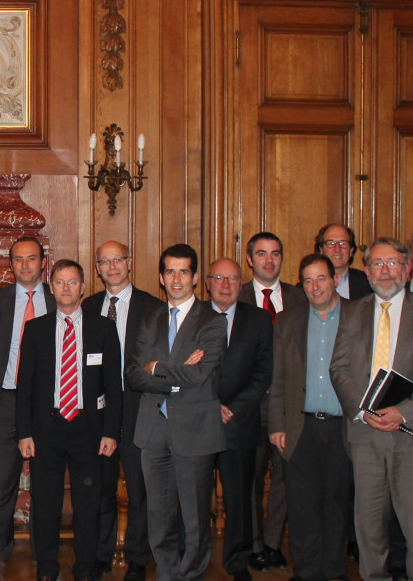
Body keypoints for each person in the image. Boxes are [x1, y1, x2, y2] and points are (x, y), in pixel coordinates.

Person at [329, 237, 413, 581]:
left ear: (407, 268)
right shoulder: (351, 311)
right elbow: (338, 368)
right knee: (368, 526)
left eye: (393, 263)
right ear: (366, 271)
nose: (386, 271)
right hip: (365, 435)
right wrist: (362, 410)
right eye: (378, 264)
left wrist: (405, 411)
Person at [125, 243, 227, 581]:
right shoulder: (148, 319)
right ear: (161, 277)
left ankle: (191, 575)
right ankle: (168, 573)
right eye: (170, 271)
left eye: (184, 271)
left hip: (194, 429)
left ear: (196, 277)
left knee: (196, 516)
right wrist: (172, 372)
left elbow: (200, 375)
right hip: (153, 429)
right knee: (159, 514)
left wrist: (157, 368)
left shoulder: (212, 321)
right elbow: (134, 374)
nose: (177, 278)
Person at [16, 259, 121, 581]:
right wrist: (25, 433)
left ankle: (85, 568)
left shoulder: (103, 328)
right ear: (51, 287)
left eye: (72, 282)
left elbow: (113, 385)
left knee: (88, 505)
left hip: (89, 430)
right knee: (45, 504)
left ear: (83, 287)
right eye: (59, 282)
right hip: (47, 429)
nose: (66, 288)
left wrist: (111, 431)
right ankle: (47, 567)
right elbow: (25, 387)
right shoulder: (36, 329)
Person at [269, 254, 352, 581]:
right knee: (301, 508)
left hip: (342, 428)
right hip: (299, 428)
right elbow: (277, 379)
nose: (315, 286)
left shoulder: (357, 316)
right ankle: (305, 572)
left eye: (321, 278)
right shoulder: (288, 321)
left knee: (336, 504)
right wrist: (276, 424)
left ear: (334, 279)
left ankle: (333, 571)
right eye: (307, 280)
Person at [83, 240, 162, 581]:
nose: (112, 267)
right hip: (97, 408)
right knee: (100, 486)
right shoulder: (87, 306)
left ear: (129, 263)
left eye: (118, 260)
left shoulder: (152, 307)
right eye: (105, 261)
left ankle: (137, 559)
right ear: (98, 268)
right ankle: (100, 556)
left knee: (139, 487)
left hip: (137, 406)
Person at [0, 236, 55, 581]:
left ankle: (45, 552)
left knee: (46, 480)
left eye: (31, 259)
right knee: (3, 480)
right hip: (9, 401)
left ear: (44, 262)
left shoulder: (59, 301)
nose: (25, 265)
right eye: (18, 260)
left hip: (50, 402)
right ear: (10, 264)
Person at [204, 258, 273, 581]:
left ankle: (236, 561)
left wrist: (233, 408)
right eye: (219, 278)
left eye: (233, 279)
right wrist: (210, 404)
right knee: (194, 499)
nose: (226, 285)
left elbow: (263, 372)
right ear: (207, 283)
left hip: (239, 423)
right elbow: (182, 367)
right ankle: (195, 562)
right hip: (199, 420)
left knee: (239, 499)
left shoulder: (258, 320)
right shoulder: (193, 315)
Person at [238, 232, 302, 573]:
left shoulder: (300, 296)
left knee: (286, 477)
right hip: (251, 406)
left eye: (275, 254)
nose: (269, 261)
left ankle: (275, 543)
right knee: (251, 478)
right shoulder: (238, 295)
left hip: (290, 405)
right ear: (250, 259)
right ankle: (255, 545)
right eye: (261, 254)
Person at [315, 224, 372, 300]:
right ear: (321, 250)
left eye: (343, 243)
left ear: (351, 250)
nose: (337, 249)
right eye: (331, 243)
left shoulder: (368, 283)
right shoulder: (306, 287)